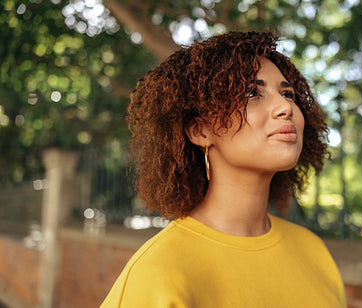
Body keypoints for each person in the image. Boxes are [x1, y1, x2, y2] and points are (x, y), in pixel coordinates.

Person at [101, 31, 346, 308]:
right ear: (200, 131)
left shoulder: (314, 252)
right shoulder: (158, 272)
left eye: (287, 93)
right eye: (253, 92)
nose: (284, 107)